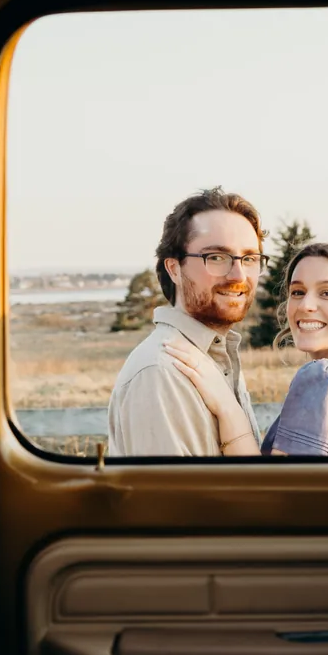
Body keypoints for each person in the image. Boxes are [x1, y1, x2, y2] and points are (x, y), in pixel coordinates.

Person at [164, 241, 328, 456]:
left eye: (327, 293)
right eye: (298, 292)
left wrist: (226, 406)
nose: (306, 306)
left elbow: (277, 497)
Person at [106, 187, 264, 456]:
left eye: (249, 258)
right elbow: (172, 498)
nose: (238, 275)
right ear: (174, 269)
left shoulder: (215, 357)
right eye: (216, 257)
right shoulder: (162, 372)